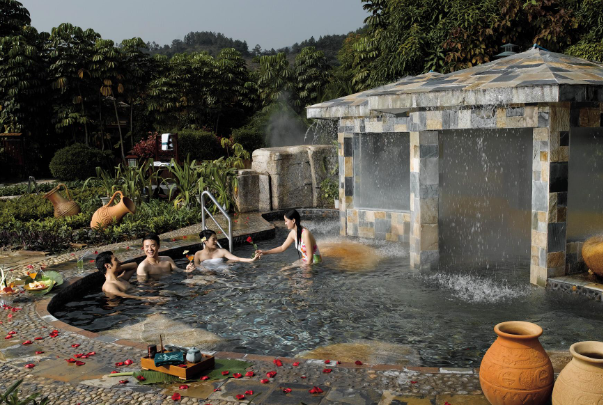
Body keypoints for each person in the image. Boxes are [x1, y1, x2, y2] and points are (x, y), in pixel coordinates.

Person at [256, 209, 322, 265]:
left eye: (286, 221)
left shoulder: (305, 234)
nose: (285, 223)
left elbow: (310, 257)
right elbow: (282, 248)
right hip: (305, 260)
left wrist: (307, 275)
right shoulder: (292, 233)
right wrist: (265, 252)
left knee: (290, 272)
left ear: (293, 221)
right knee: (284, 271)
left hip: (314, 262)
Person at [96, 251, 163, 301]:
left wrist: (118, 267)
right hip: (136, 305)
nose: (120, 261)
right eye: (116, 260)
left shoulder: (121, 279)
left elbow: (134, 266)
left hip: (141, 298)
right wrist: (149, 299)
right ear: (107, 265)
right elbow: (126, 296)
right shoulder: (109, 286)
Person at [193, 229, 260, 267]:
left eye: (216, 239)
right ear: (205, 241)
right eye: (213, 239)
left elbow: (238, 259)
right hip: (207, 274)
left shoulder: (222, 251)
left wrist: (252, 260)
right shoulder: (198, 254)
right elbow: (196, 265)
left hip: (222, 273)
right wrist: (205, 271)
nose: (216, 241)